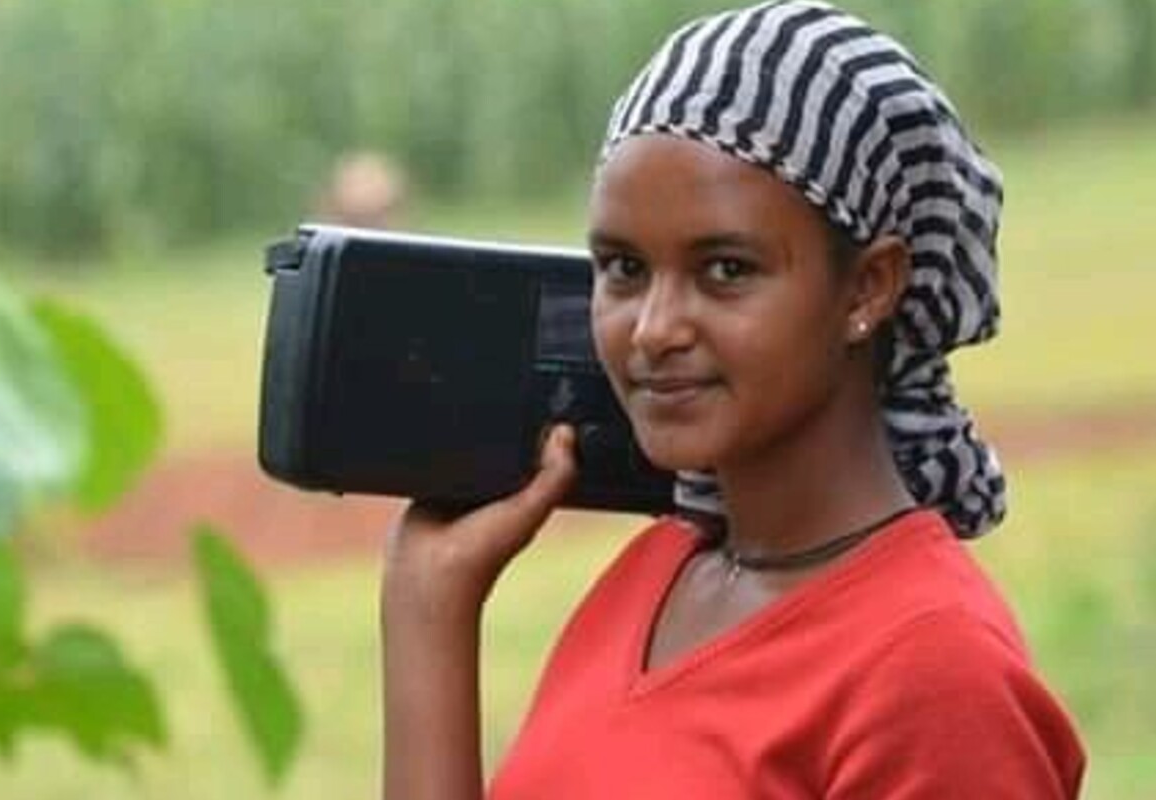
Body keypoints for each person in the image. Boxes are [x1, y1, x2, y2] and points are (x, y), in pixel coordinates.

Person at [379, 2, 1086, 797]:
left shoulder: (930, 675)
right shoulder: (653, 578)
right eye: (623, 268)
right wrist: (428, 608)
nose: (651, 330)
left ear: (868, 287)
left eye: (725, 270)